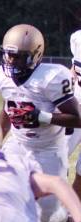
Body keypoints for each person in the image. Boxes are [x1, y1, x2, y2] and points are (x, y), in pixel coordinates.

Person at [0, 24, 81, 222]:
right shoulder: (1, 76)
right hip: (19, 143)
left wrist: (40, 117)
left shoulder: (51, 78)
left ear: (36, 55)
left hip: (48, 149)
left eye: (18, 57)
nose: (11, 61)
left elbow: (77, 118)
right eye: (8, 55)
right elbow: (7, 108)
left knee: (48, 213)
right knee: (0, 187)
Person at [68, 30, 81, 201]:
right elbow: (74, 67)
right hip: (74, 108)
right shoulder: (77, 37)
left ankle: (73, 216)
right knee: (55, 159)